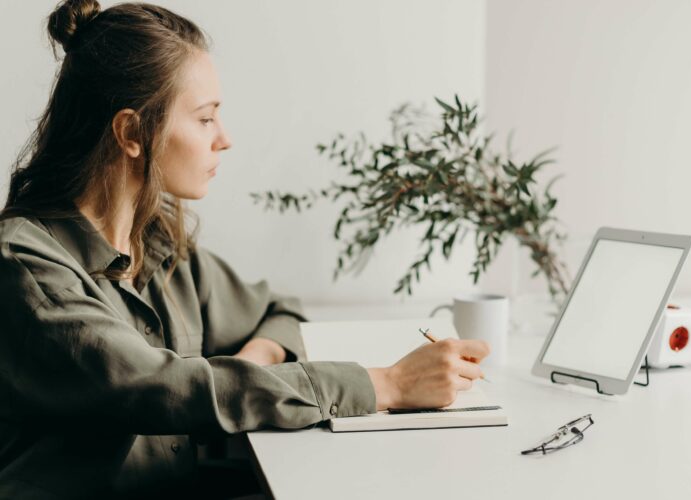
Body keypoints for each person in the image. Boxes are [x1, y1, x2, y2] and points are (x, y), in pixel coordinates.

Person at [0, 1, 489, 499]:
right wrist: (388, 385)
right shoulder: (24, 266)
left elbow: (280, 313)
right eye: (205, 119)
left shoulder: (159, 246)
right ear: (131, 132)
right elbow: (164, 388)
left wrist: (255, 362)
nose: (225, 139)